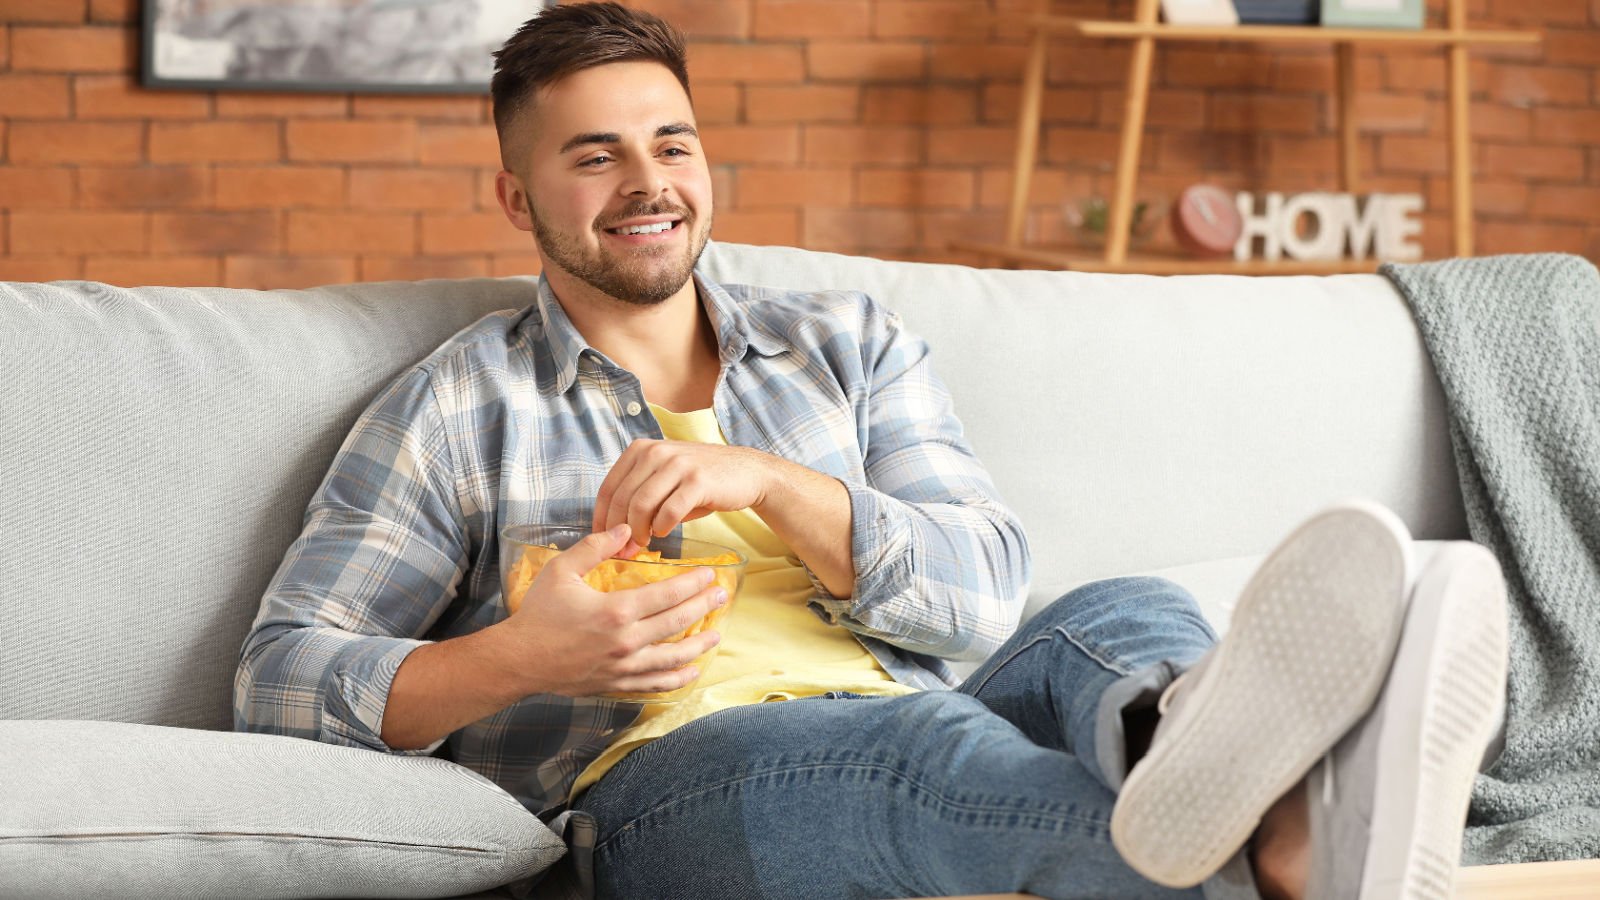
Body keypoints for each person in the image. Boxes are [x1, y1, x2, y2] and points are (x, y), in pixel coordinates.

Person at [234, 4, 1508, 898]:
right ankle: (1300, 836)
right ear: (520, 200)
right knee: (942, 761)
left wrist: (778, 485)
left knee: (1110, 617)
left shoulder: (843, 343)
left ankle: (1207, 755)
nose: (648, 179)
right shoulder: (456, 407)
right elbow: (283, 678)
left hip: (909, 685)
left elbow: (977, 590)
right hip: (665, 784)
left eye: (670, 141)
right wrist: (520, 655)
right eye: (594, 156)